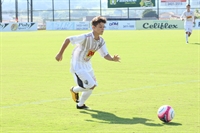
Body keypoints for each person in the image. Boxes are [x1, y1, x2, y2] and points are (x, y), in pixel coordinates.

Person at [55, 16, 120, 109]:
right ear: (93, 27)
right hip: (77, 64)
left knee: (93, 86)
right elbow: (68, 39)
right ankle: (74, 90)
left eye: (103, 27)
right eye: (100, 27)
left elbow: (105, 54)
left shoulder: (101, 41)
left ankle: (80, 105)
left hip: (87, 64)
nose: (102, 29)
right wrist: (60, 53)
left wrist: (113, 59)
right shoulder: (86, 37)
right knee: (90, 85)